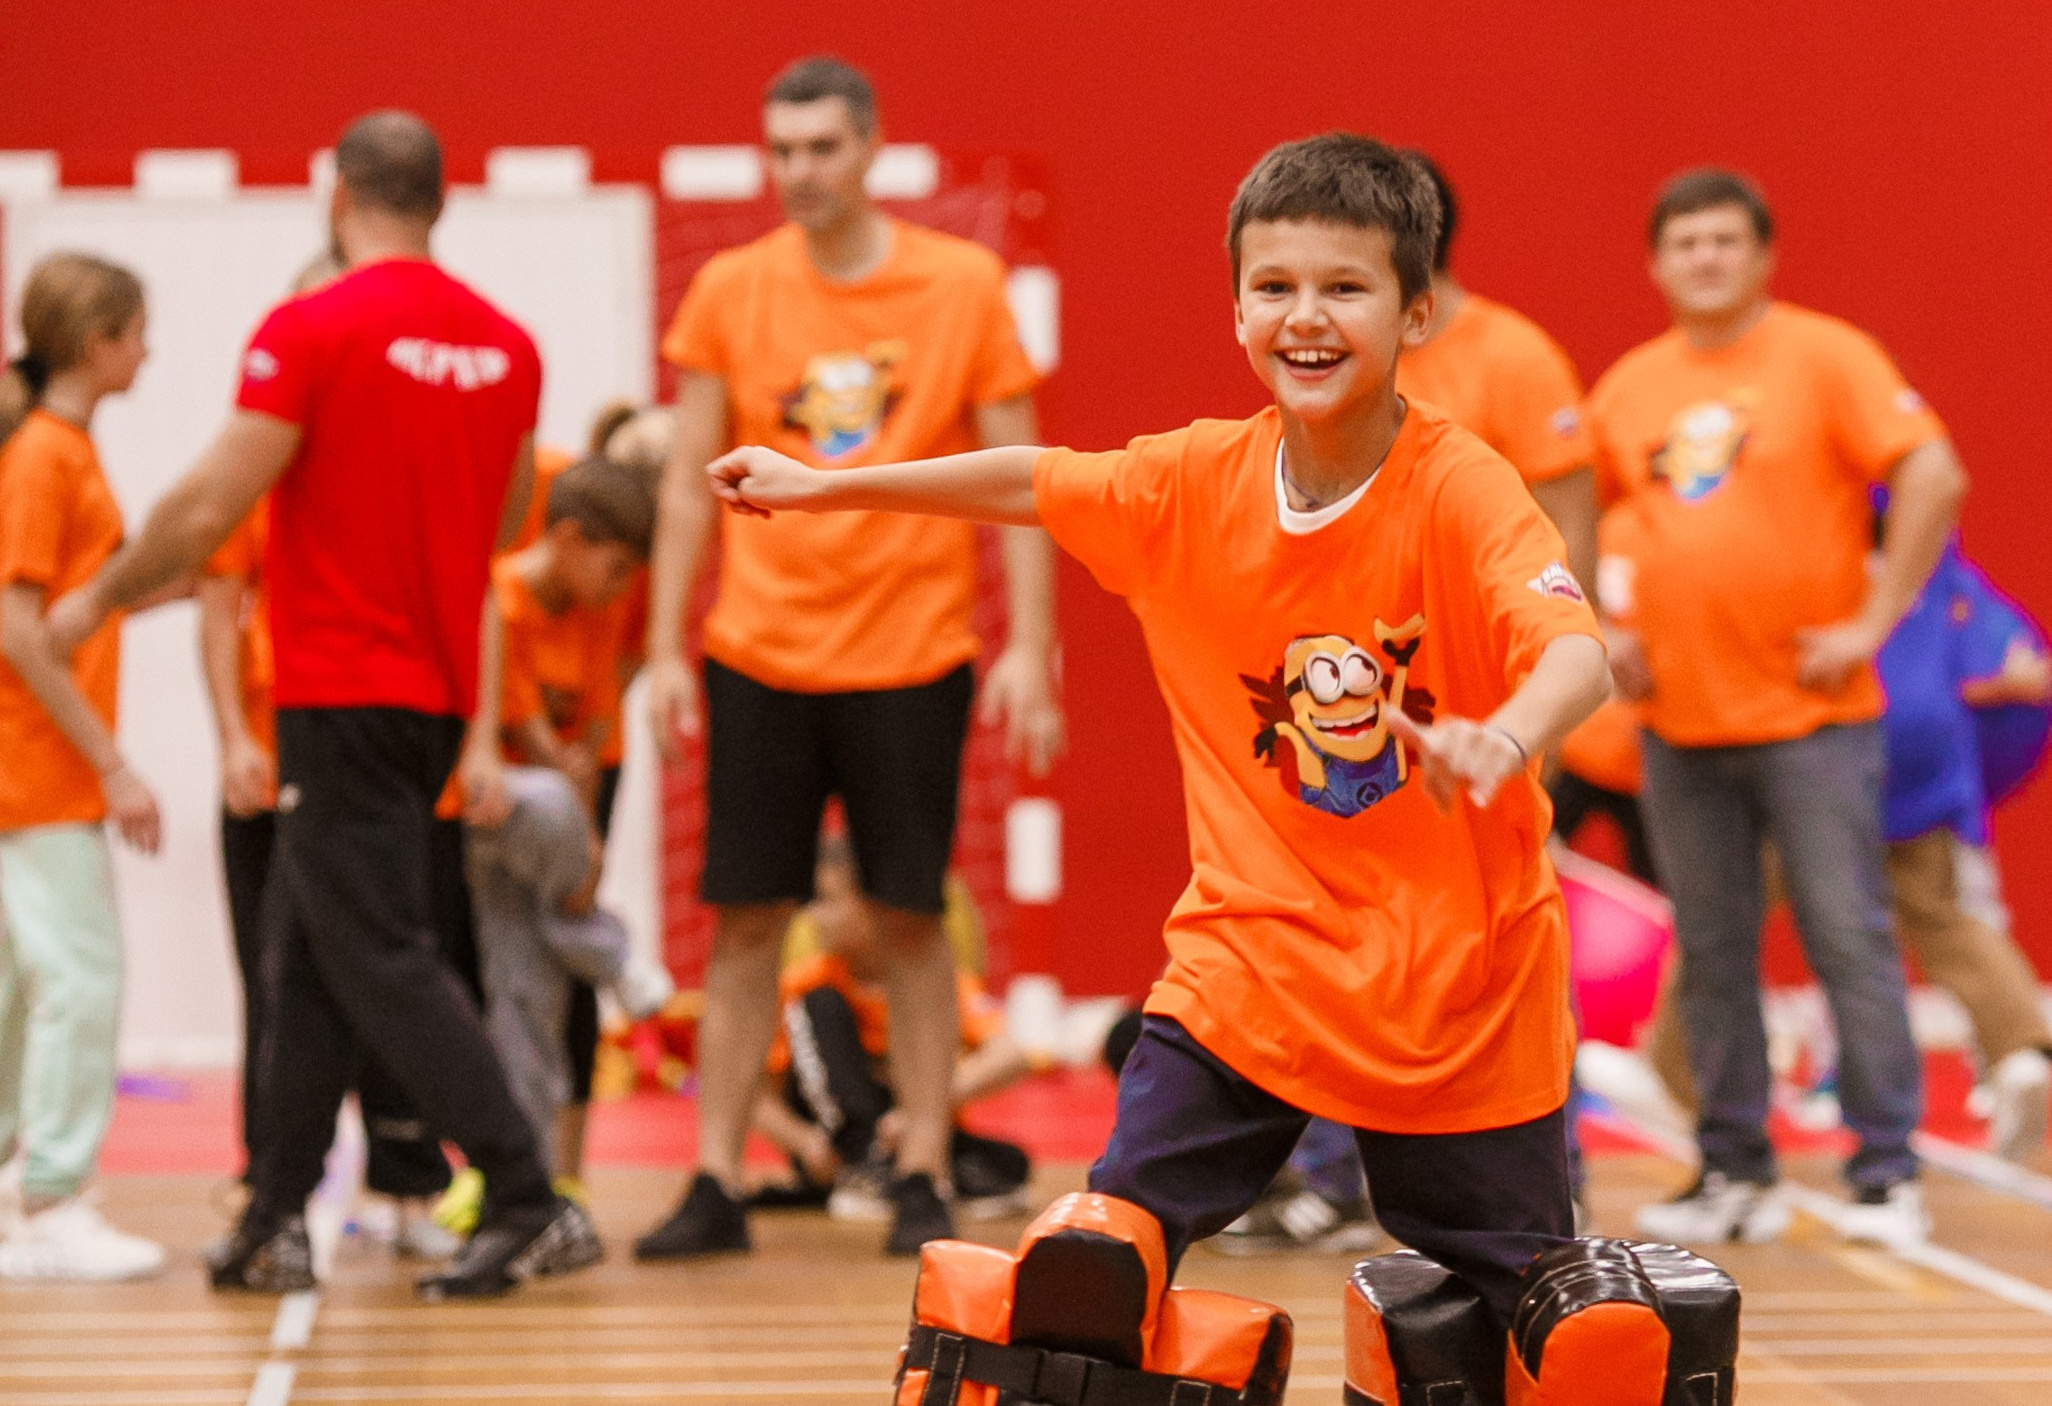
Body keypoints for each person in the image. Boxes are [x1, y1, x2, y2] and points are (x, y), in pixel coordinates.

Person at [707, 133, 1611, 1316]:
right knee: (1103, 1248)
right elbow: (1030, 479)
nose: (1307, 317)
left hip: (1454, 980)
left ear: (1418, 310)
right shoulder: (1187, 484)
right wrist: (827, 486)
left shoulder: (1461, 486)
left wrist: (1509, 731)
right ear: (1236, 309)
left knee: (1541, 1306)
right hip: (1254, 964)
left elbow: (1575, 651)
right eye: (1274, 287)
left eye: (1345, 288)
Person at [38, 110, 598, 1300]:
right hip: (434, 699)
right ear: (439, 201)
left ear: (337, 195)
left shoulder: (311, 327)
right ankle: (272, 1215)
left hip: (339, 690)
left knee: (378, 953)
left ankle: (525, 1191)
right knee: (311, 953)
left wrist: (90, 604)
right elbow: (505, 526)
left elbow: (203, 511)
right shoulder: (508, 347)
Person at [638, 54, 1062, 1262]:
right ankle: (716, 1178)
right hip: (758, 652)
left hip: (911, 654)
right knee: (743, 923)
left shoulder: (963, 283)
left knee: (910, 916)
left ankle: (922, 1166)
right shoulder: (729, 287)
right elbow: (685, 478)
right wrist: (669, 647)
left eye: (821, 146)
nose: (799, 171)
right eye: (781, 150)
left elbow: (1019, 473)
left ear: (870, 148)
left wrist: (1030, 644)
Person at [1218, 149, 1604, 1256]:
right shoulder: (1319, 358)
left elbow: (1564, 537)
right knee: (1341, 917)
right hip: (1355, 701)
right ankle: (1331, 1173)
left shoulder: (1514, 358)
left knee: (1500, 934)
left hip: (1491, 708)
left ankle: (1545, 1179)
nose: (1316, 309)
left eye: (1346, 275)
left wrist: (1537, 702)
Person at [1585, 169, 1967, 1248]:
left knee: (1848, 936)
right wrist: (1600, 633)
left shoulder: (1825, 355)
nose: (1704, 258)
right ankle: (1733, 1168)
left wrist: (1872, 618)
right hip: (1678, 723)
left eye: (1723, 241)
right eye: (1684, 243)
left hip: (1814, 714)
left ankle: (1886, 1172)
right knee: (1709, 951)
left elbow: (1933, 472)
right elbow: (1570, 514)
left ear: (1761, 256)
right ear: (1656, 264)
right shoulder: (1628, 388)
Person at [197, 253, 462, 1262]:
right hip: (276, 759)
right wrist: (232, 739)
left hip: (372, 752)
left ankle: (406, 1178)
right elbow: (220, 612)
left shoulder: (392, 469)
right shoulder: (253, 475)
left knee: (386, 960)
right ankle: (271, 1192)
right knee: (280, 982)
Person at [0, 253, 165, 1283]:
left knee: (26, 983)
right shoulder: (45, 456)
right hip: (42, 765)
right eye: (139, 330)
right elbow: (19, 627)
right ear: (97, 340)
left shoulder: (61, 451)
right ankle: (53, 1194)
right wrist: (112, 764)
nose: (149, 350)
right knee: (79, 977)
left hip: (35, 765)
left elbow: (74, 601)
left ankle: (26, 1183)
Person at [464, 457, 670, 1198]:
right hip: (490, 813)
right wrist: (578, 821)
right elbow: (530, 730)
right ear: (570, 539)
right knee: (549, 802)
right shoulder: (502, 598)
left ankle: (527, 1183)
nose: (621, 592)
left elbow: (595, 719)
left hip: (537, 844)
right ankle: (614, 956)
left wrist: (587, 845)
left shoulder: (597, 612)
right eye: (615, 571)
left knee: (529, 994)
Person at [1874, 536, 2052, 1158]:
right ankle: (2018, 1052)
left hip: (1837, 754)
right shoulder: (1948, 580)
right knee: (1953, 921)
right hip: (1935, 773)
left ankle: (1674, 1068)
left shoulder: (1822, 564)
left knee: (1820, 927)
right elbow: (2027, 672)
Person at [747, 836, 1032, 1217]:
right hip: (834, 1141)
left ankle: (901, 1172)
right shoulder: (805, 984)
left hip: (910, 1132)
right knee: (819, 1005)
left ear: (871, 907)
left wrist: (919, 1115)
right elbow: (757, 1096)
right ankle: (864, 1160)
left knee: (1011, 1164)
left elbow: (1011, 1057)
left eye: (827, 901)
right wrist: (803, 1142)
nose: (813, 917)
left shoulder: (936, 984)